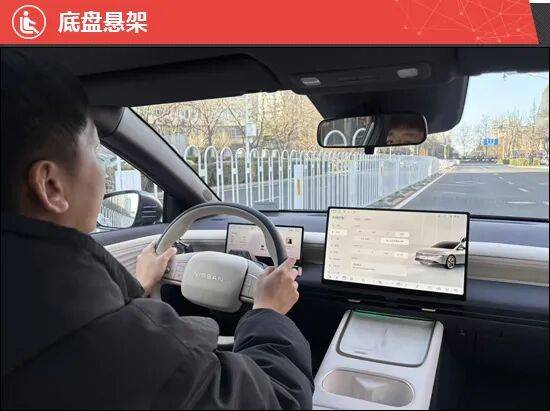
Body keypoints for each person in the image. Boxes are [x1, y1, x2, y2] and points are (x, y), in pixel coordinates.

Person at [1, 50, 313, 409]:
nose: (102, 173)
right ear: (51, 186)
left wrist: (138, 286)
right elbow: (282, 400)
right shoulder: (120, 350)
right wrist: (268, 313)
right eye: (97, 154)